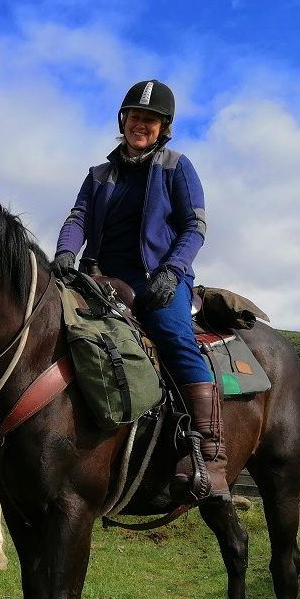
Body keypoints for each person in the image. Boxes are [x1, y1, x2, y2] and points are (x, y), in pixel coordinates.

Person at [50, 79, 228, 503]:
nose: (140, 125)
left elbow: (194, 226)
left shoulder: (177, 166)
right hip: (102, 278)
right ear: (123, 121)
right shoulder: (98, 175)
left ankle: (210, 452)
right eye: (134, 117)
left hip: (159, 278)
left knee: (173, 337)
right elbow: (77, 219)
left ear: (163, 127)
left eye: (149, 119)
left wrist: (173, 270)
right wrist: (64, 253)